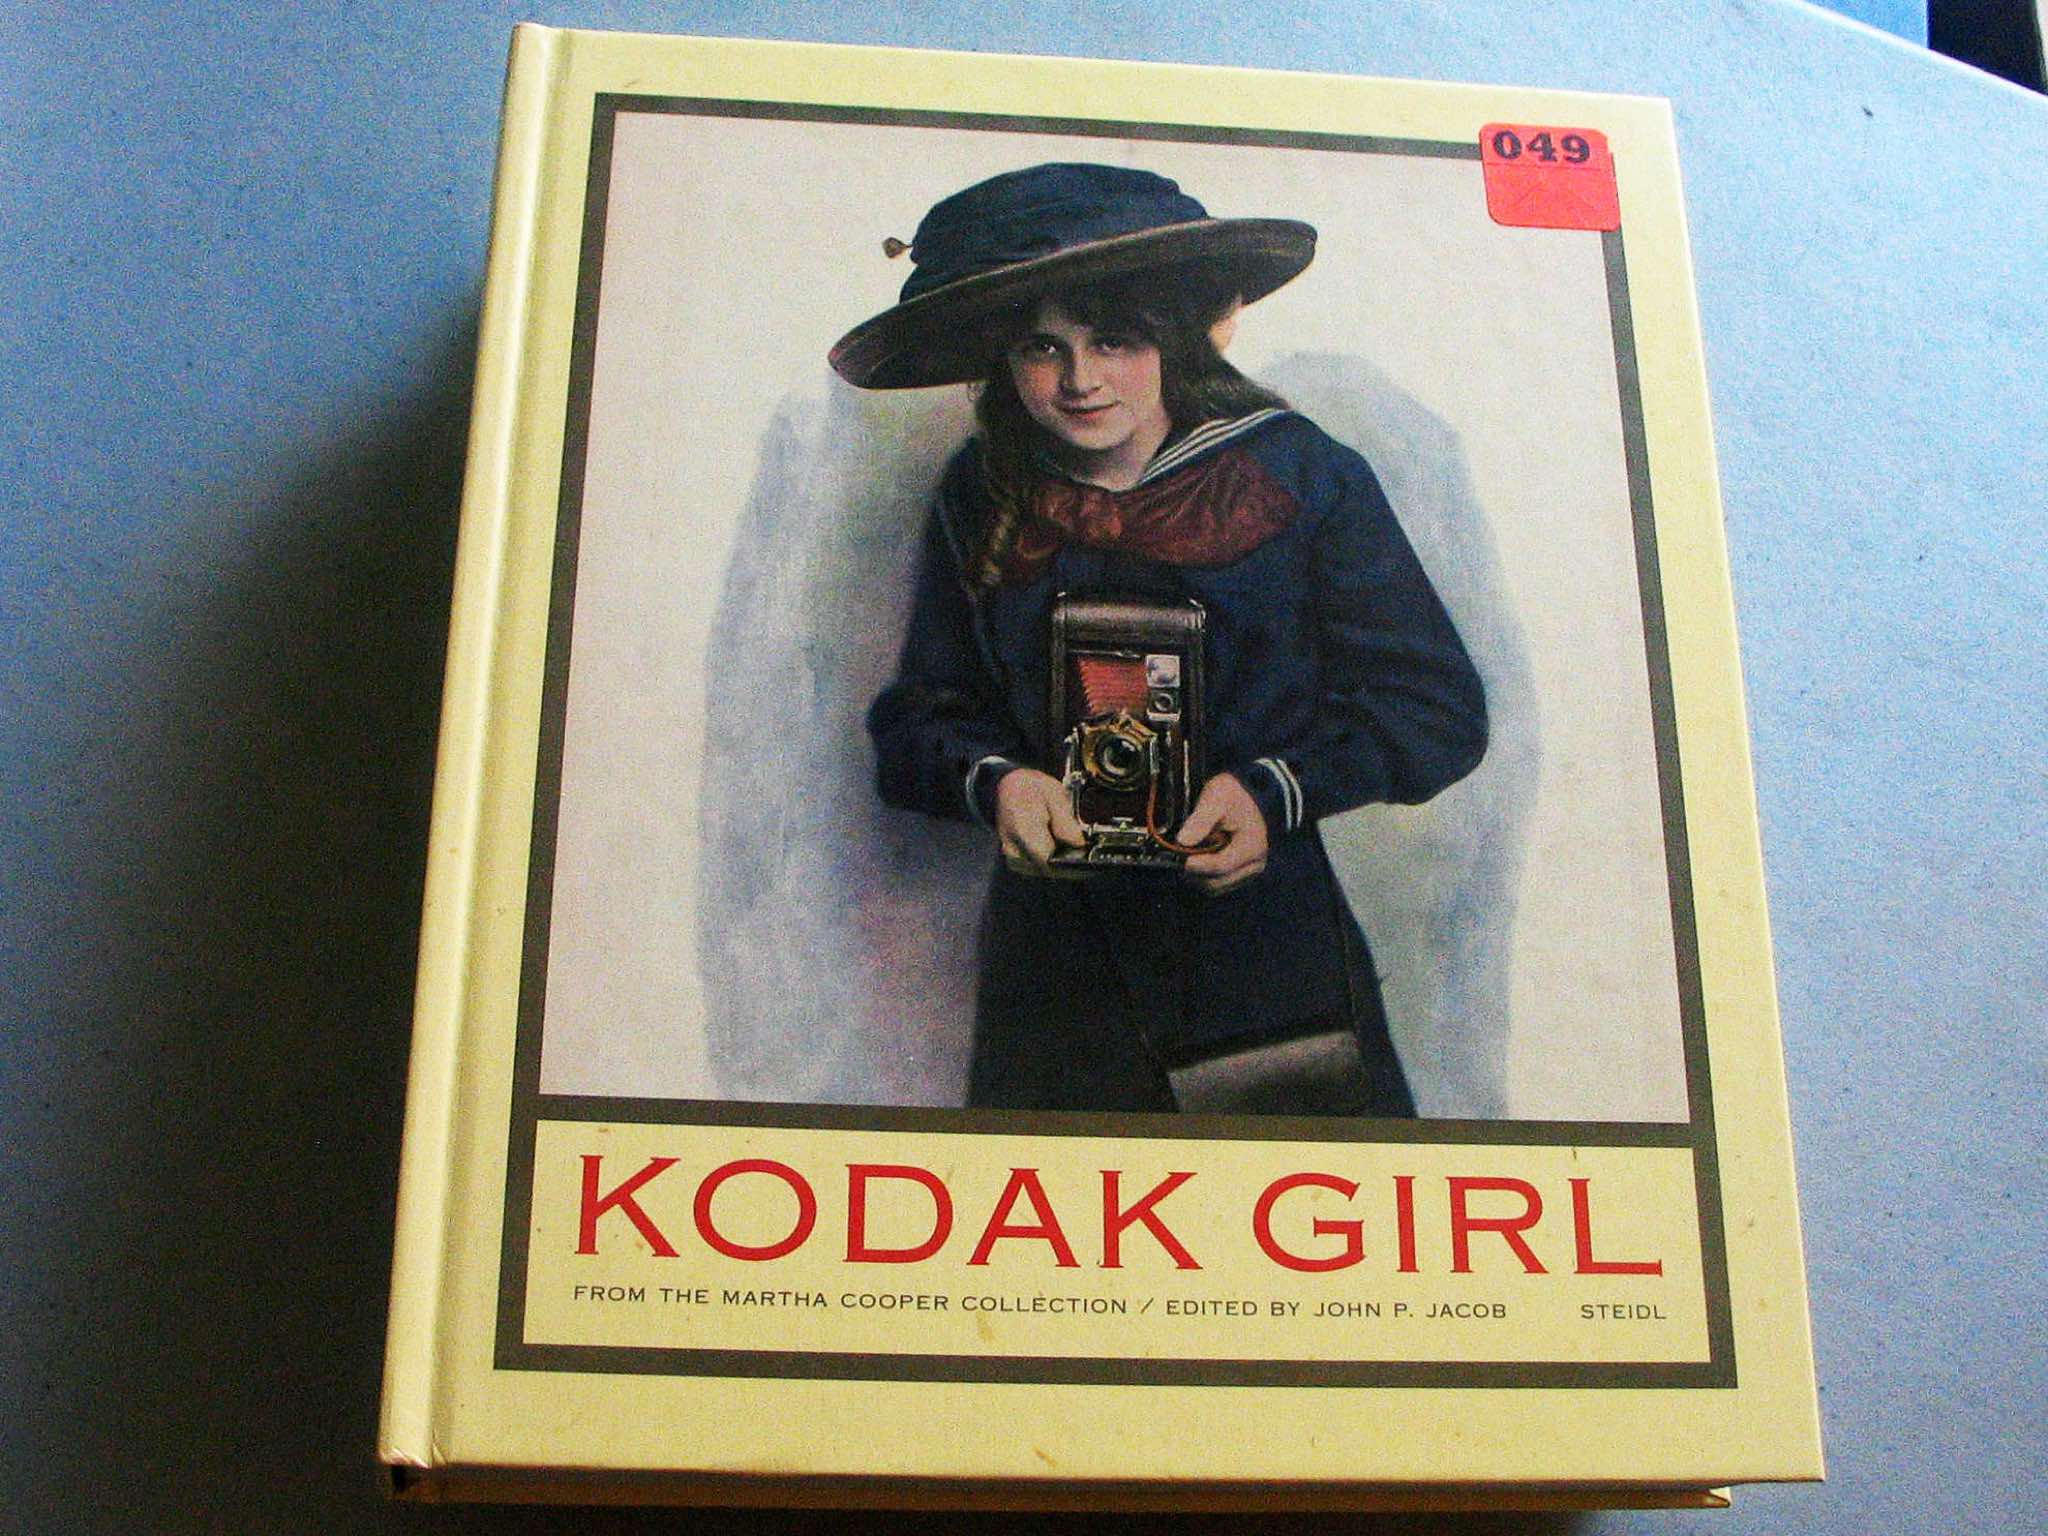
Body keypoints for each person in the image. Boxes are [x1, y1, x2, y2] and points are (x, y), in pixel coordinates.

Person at [830, 163, 1486, 1115]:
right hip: (1058, 978)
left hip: (1264, 958)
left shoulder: (1302, 474)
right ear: (1001, 359)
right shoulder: (983, 490)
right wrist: (1000, 784)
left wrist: (1273, 792)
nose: (1080, 380)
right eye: (1041, 348)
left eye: (1115, 340)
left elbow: (1436, 711)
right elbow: (919, 720)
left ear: (1175, 338)